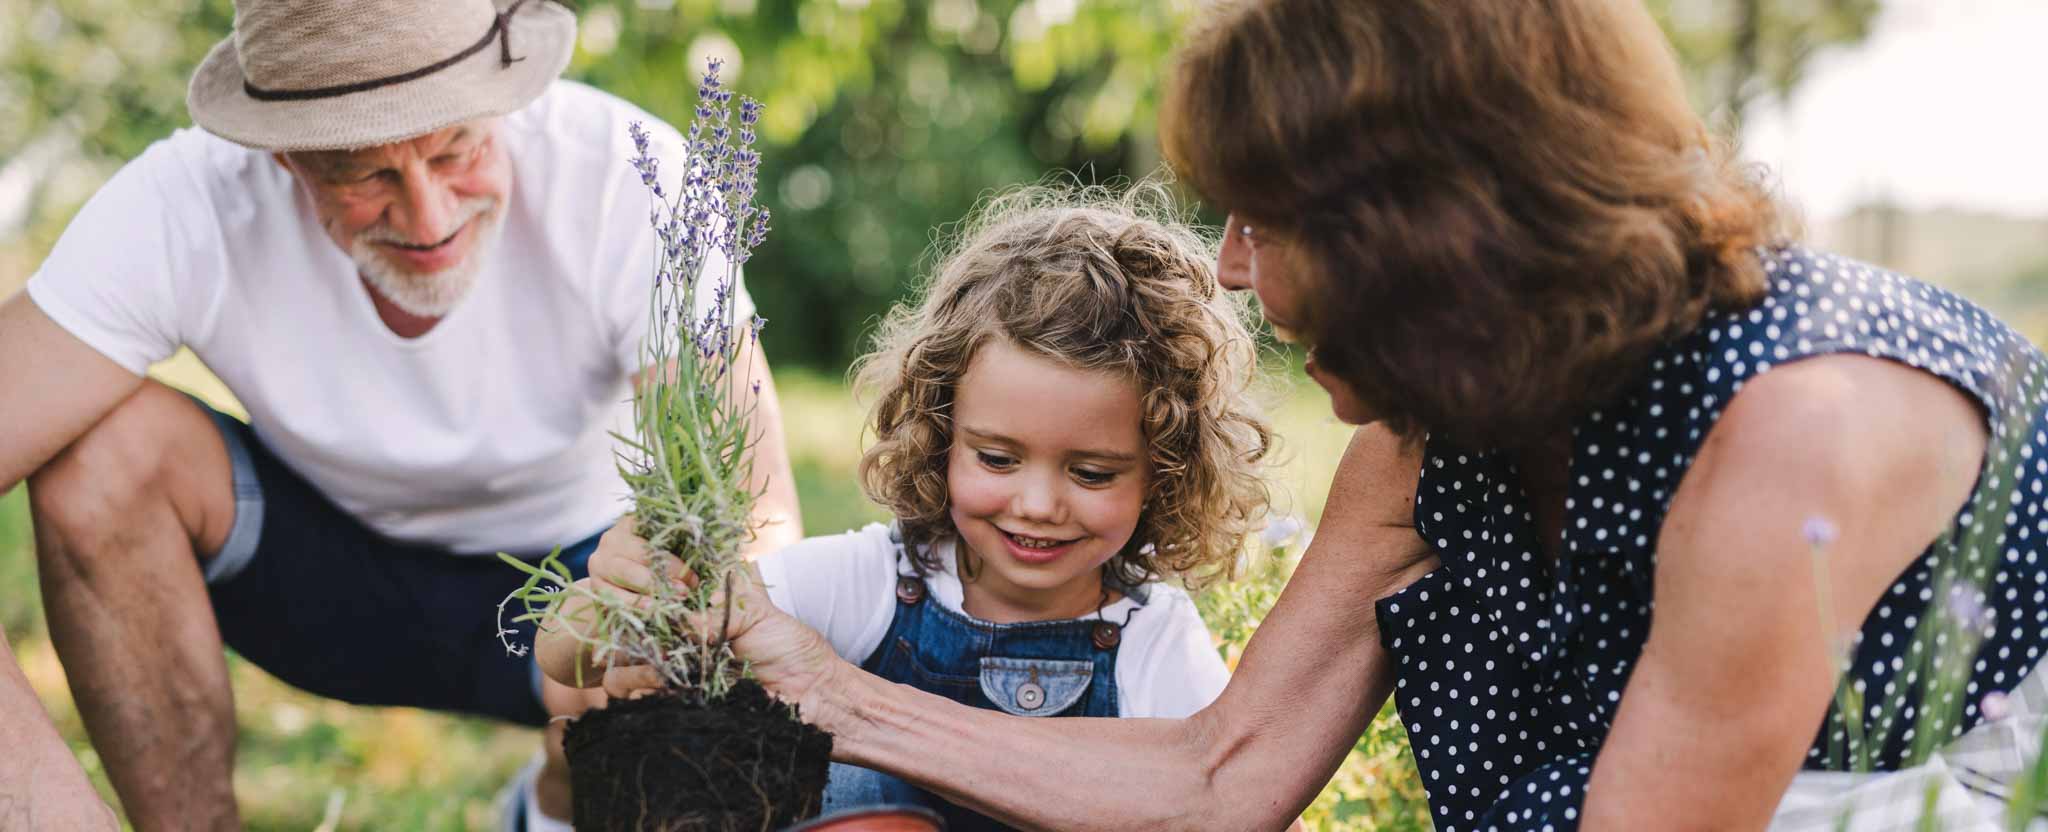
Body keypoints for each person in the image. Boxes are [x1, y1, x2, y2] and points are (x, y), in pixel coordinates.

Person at [589, 0, 2048, 829]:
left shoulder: (1789, 435)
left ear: (1429, 235)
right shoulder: (1435, 429)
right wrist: (811, 680)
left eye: (1264, 219)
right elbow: (1222, 778)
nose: (1225, 269)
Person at [0, 1, 801, 829]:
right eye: (365, 176)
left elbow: (756, 518)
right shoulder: (185, 202)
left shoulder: (626, 177)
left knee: (701, 623)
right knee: (100, 457)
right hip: (323, 580)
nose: (430, 219)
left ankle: (552, 801)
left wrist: (669, 626)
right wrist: (44, 806)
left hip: (581, 584)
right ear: (284, 156)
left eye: (459, 151)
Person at [549, 186, 1273, 830]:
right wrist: (627, 595)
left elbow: (1234, 803)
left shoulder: (1152, 641)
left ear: (1165, 473)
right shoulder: (874, 580)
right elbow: (570, 654)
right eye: (996, 458)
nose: (1038, 503)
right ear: (941, 438)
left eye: (1091, 472)